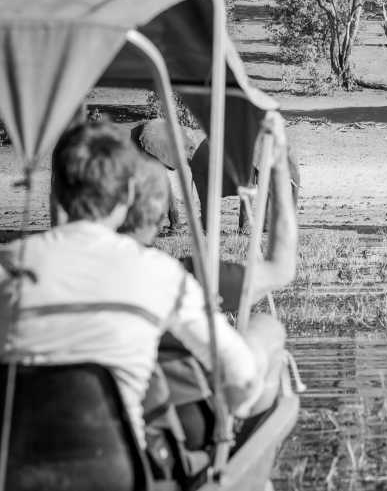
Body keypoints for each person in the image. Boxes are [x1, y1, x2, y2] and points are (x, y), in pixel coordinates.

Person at [0, 120, 294, 455]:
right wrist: (279, 165)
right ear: (128, 193)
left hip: (13, 467)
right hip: (122, 470)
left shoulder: (7, 266)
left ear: (56, 192)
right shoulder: (160, 274)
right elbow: (241, 378)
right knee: (263, 331)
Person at [120, 129, 298, 451]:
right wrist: (280, 169)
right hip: (157, 443)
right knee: (266, 328)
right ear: (155, 214)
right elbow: (281, 270)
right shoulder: (174, 278)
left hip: (50, 439)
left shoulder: (17, 271)